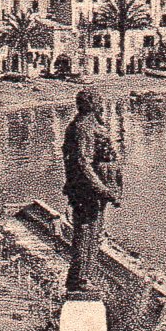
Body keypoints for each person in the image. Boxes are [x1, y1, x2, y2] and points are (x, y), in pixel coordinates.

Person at [61, 89, 121, 294]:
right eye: (99, 102)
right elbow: (83, 163)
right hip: (86, 191)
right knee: (87, 234)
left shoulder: (85, 125)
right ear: (92, 105)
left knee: (91, 234)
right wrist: (102, 189)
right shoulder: (84, 128)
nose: (102, 105)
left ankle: (82, 277)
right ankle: (79, 280)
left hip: (87, 190)